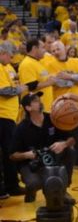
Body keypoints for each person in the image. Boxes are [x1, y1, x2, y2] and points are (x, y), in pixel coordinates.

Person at [9, 93, 76, 203]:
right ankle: (30, 190)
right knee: (34, 183)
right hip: (31, 163)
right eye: (35, 101)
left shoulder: (53, 119)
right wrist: (27, 154)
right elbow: (12, 155)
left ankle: (63, 190)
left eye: (39, 99)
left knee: (70, 151)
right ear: (28, 108)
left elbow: (72, 139)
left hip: (53, 157)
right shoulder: (21, 128)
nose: (40, 101)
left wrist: (63, 144)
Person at [0, 41, 28, 198]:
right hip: (2, 116)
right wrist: (19, 89)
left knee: (9, 152)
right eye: (9, 56)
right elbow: (3, 90)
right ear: (2, 53)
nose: (11, 59)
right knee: (6, 152)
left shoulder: (8, 67)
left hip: (10, 116)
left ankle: (12, 185)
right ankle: (6, 187)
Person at [18, 38, 56, 113]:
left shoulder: (38, 62)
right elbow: (31, 86)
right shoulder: (27, 64)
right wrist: (49, 82)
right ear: (35, 48)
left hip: (45, 108)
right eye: (42, 47)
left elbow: (42, 78)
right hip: (34, 111)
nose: (45, 50)